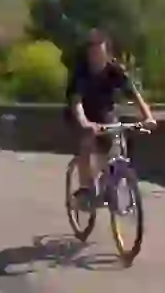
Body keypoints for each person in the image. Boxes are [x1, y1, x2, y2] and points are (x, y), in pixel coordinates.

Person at [65, 30, 156, 208]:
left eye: (100, 54)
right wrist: (85, 122)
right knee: (87, 143)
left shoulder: (115, 70)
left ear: (107, 54)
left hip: (104, 113)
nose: (96, 58)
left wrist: (148, 117)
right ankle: (85, 190)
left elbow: (135, 96)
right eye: (93, 54)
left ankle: (109, 185)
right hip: (81, 114)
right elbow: (76, 102)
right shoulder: (81, 73)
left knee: (116, 144)